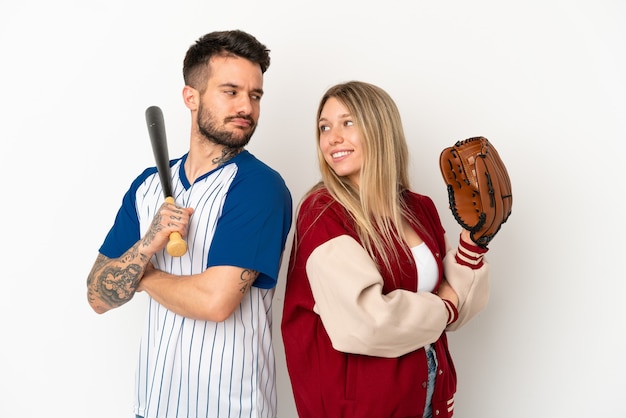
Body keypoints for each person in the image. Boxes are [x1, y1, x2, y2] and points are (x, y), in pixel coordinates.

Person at [86, 30, 292, 418]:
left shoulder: (259, 187)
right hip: (153, 404)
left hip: (232, 408)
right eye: (230, 91)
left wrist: (140, 275)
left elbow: (216, 302)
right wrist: (148, 243)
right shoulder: (147, 186)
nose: (246, 106)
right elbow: (97, 296)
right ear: (191, 97)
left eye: (255, 95)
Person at [281, 81, 491, 418]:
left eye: (347, 122)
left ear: (380, 128)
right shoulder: (322, 213)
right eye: (324, 127)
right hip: (363, 408)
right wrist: (444, 307)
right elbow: (366, 321)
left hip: (429, 395)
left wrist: (474, 242)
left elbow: (462, 307)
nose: (332, 137)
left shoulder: (418, 207)